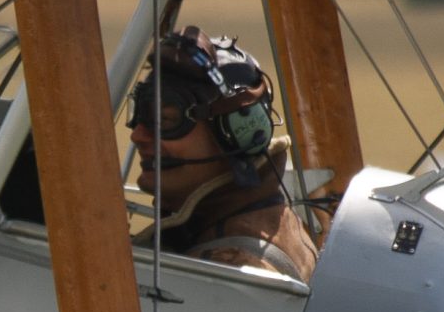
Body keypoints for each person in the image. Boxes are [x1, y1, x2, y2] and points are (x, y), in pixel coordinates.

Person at [127, 27, 318, 280]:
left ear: (237, 133)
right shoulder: (264, 217)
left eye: (165, 120)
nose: (138, 136)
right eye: (139, 115)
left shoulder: (228, 268)